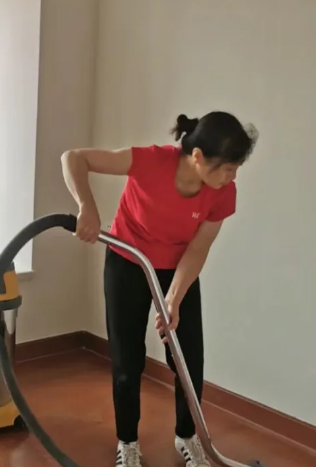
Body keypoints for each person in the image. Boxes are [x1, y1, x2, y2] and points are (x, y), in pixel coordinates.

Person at [61, 112, 258, 467]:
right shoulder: (150, 161)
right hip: (128, 260)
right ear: (197, 157)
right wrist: (86, 206)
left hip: (177, 267)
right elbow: (73, 158)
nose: (232, 177)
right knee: (127, 360)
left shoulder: (222, 193)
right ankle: (128, 443)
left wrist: (174, 298)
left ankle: (188, 436)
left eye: (236, 169)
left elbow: (199, 248)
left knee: (188, 359)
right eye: (228, 168)